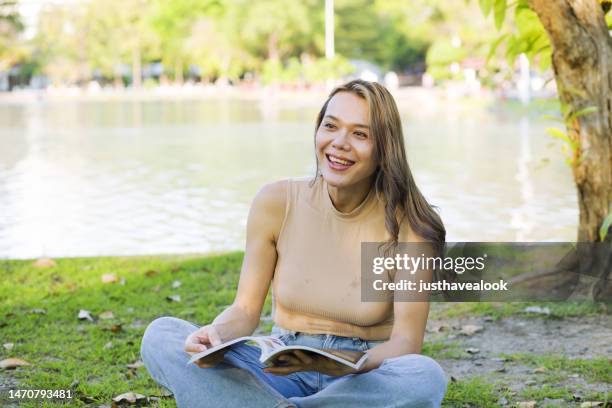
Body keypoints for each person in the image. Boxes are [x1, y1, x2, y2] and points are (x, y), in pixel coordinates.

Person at [140, 79, 448, 408]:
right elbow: (244, 310)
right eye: (331, 126)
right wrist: (215, 334)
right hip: (279, 370)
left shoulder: (409, 225)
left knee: (425, 376)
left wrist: (341, 360)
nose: (339, 143)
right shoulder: (276, 202)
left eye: (360, 134)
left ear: (385, 148)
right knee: (162, 336)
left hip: (359, 376)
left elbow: (405, 341)